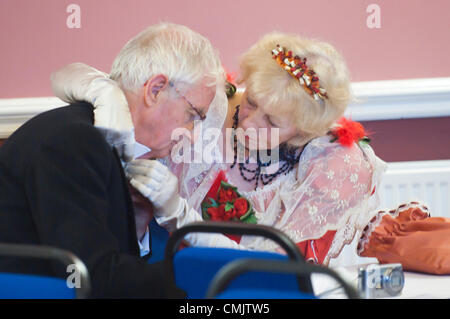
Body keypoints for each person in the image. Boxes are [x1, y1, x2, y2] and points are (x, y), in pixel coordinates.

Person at [52, 31, 386, 267]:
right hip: (159, 271)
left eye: (272, 122)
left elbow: (272, 270)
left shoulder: (336, 165)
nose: (250, 122)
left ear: (305, 130)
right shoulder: (211, 101)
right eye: (251, 101)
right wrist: (105, 93)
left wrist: (179, 215)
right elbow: (66, 74)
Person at [0, 22, 226, 298]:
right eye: (193, 115)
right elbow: (90, 280)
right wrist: (199, 278)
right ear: (155, 90)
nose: (191, 135)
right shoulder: (73, 142)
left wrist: (140, 225)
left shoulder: (90, 137)